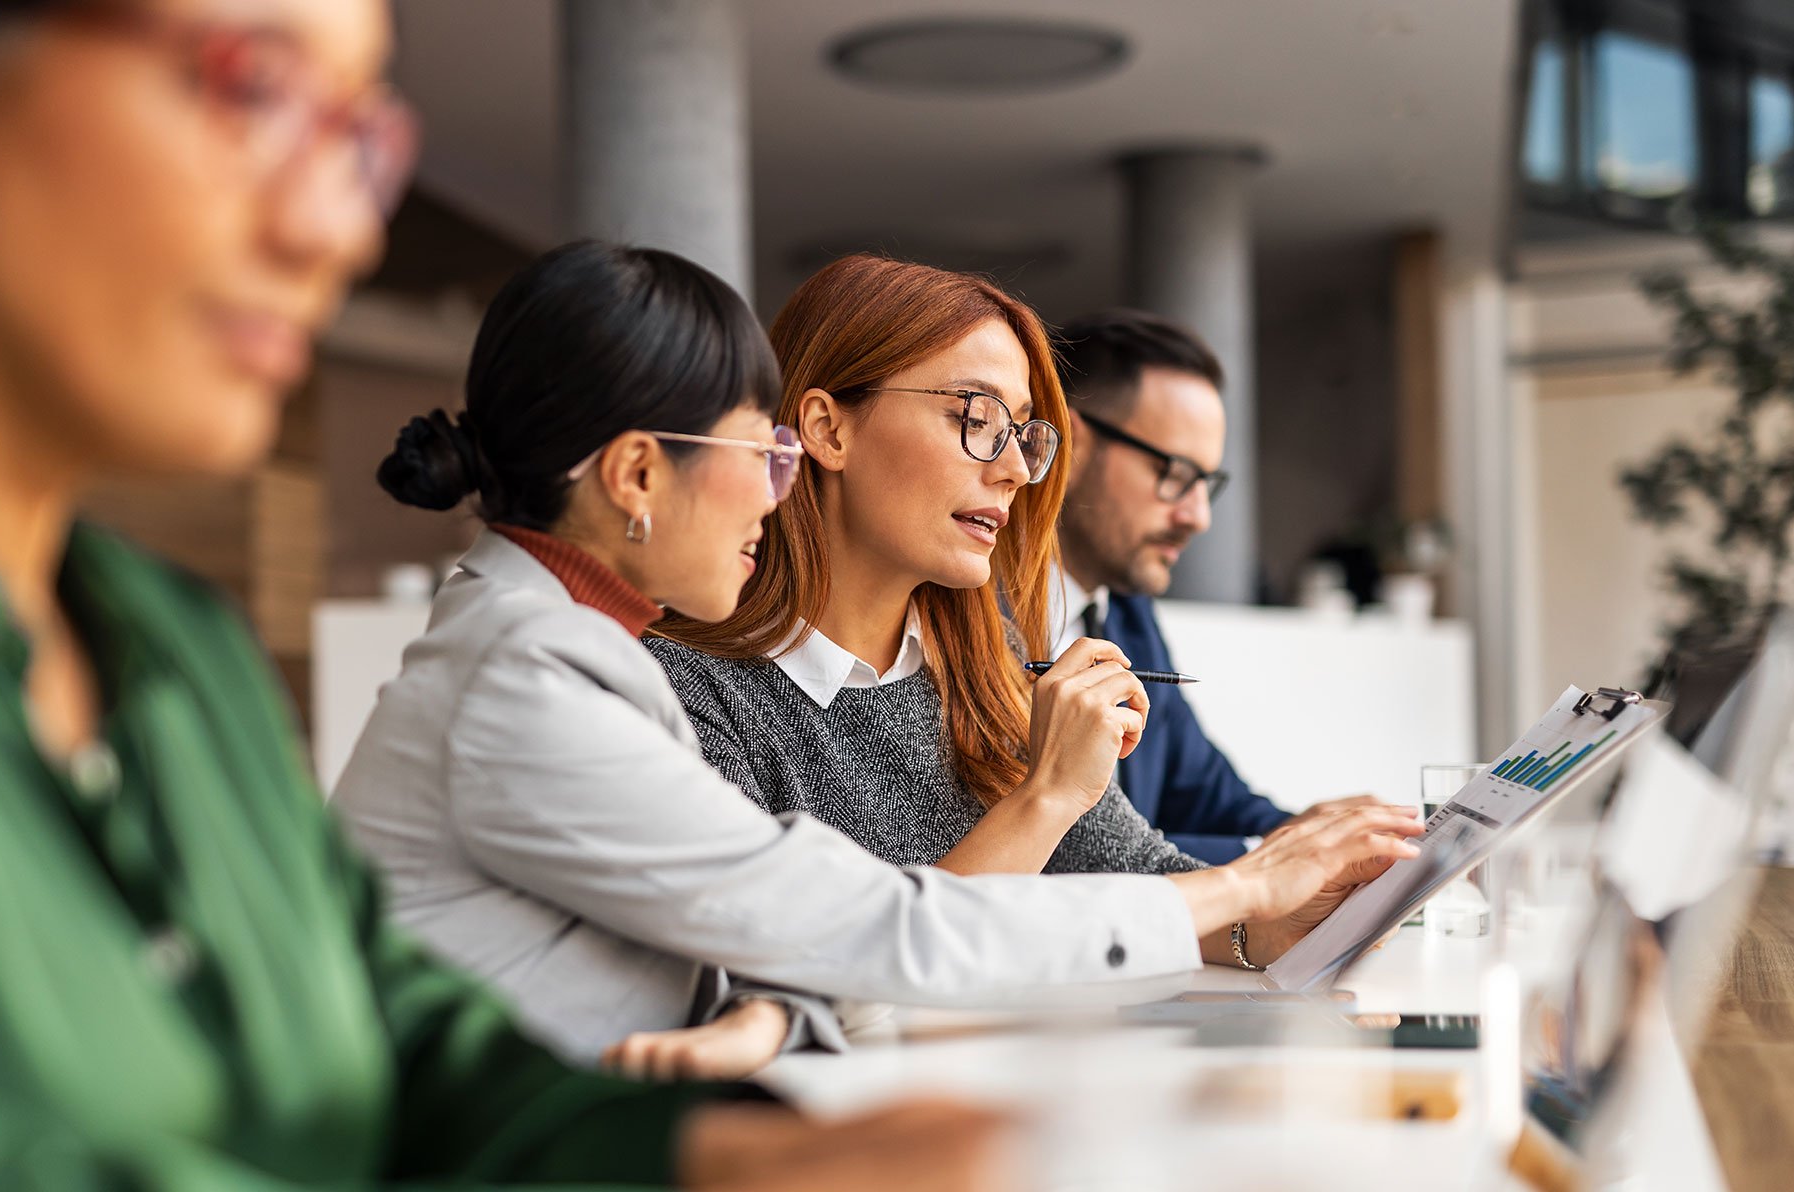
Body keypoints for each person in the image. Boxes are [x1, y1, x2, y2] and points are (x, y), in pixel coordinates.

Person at [0, 1, 1017, 1188]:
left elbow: (405, 1048)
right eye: (252, 86)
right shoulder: (523, 666)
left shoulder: (186, 652)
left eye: (358, 136)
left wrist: (720, 1154)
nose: (340, 228)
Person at [331, 240, 1422, 1083]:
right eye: (755, 450)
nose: (773, 483)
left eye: (1023, 433)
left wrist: (1266, 916)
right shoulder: (543, 677)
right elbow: (855, 936)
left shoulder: (563, 646)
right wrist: (1233, 879)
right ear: (635, 475)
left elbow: (784, 952)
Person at [643, 254, 1421, 977]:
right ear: (827, 428)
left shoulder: (987, 657)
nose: (1016, 469)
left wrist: (1282, 922)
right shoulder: (680, 691)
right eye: (977, 418)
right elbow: (819, 978)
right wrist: (1048, 797)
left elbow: (1140, 880)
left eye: (1021, 434)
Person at [1050, 310, 1373, 863]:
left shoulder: (1127, 614)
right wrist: (1282, 855)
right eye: (1176, 474)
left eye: (1206, 483)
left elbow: (1207, 799)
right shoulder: (969, 615)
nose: (1198, 517)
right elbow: (1063, 856)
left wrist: (1325, 836)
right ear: (1074, 445)